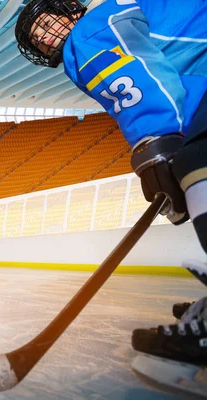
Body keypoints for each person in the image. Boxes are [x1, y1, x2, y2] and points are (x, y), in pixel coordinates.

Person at [15, 0, 207, 366]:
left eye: (45, 24)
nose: (45, 37)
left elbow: (141, 91)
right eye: (39, 40)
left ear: (69, 8)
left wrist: (156, 145)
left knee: (198, 161)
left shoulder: (89, 29)